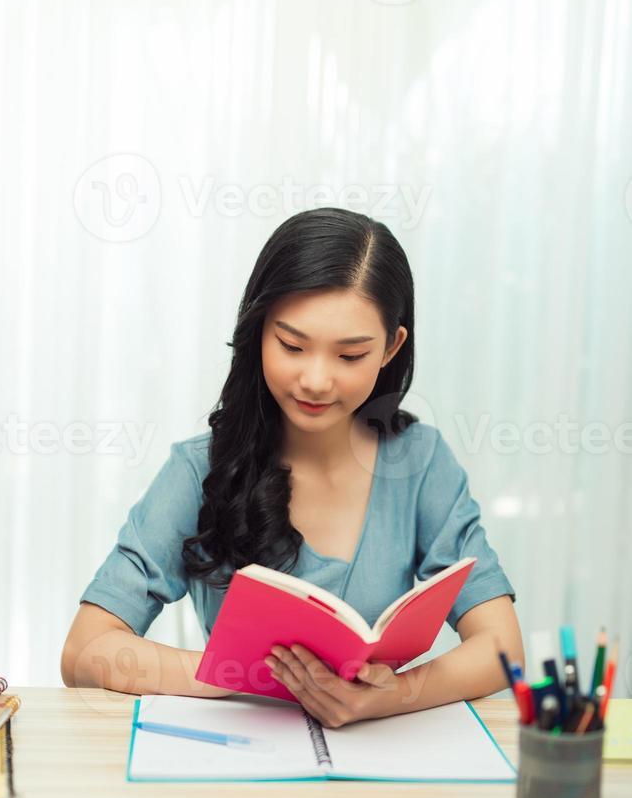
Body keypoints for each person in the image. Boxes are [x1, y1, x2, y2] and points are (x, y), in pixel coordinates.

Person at [61, 207, 524, 728]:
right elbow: (85, 651)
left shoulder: (419, 462)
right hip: (241, 763)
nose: (316, 380)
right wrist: (240, 675)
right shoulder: (198, 470)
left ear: (391, 348)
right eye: (292, 346)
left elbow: (502, 646)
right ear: (258, 331)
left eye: (350, 356)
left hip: (374, 779)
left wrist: (391, 696)